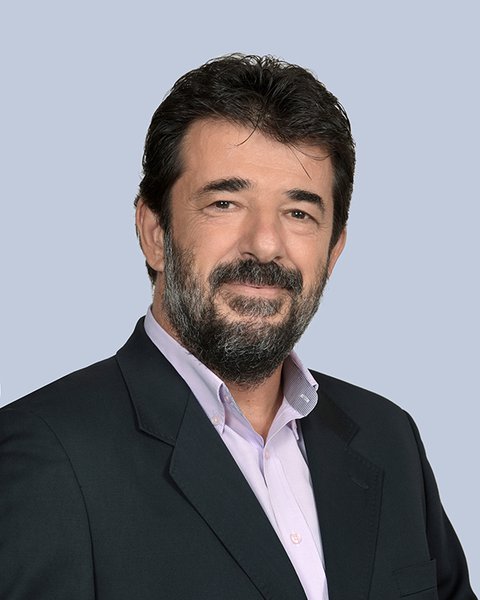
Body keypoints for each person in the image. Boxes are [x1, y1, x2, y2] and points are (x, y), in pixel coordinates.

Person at [0, 54, 476, 600]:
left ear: (333, 250)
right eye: (225, 203)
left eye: (299, 213)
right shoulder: (45, 456)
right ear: (155, 233)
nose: (265, 245)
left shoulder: (389, 439)